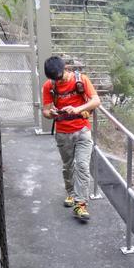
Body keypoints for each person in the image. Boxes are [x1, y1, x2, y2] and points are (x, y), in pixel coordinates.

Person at [42, 56, 101, 221]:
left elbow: (96, 100)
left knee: (82, 166)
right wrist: (51, 113)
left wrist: (77, 109)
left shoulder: (81, 80)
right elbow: (45, 111)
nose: (58, 80)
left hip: (82, 130)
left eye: (60, 77)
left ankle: (80, 204)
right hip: (62, 132)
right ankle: (71, 193)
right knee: (68, 166)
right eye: (54, 79)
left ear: (65, 68)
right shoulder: (49, 86)